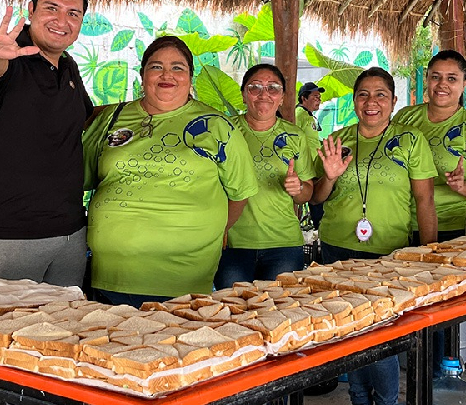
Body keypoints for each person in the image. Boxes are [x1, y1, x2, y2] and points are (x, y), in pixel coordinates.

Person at [83, 36, 258, 308]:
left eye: (178, 67)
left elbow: (240, 193)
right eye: (156, 67)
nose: (167, 75)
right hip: (110, 278)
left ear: (190, 78)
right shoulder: (112, 118)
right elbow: (81, 177)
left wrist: (214, 229)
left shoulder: (217, 125)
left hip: (184, 280)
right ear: (142, 75)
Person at [311, 67, 438, 405]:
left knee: (381, 335)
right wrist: (329, 177)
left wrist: (430, 253)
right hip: (338, 248)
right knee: (349, 332)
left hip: (389, 253)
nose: (371, 102)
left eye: (380, 94)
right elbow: (318, 197)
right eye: (363, 94)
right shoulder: (337, 140)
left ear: (393, 102)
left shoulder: (410, 140)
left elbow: (425, 200)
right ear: (354, 101)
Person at [0, 0, 93, 288]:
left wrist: (148, 108)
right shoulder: (10, 54)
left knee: (66, 318)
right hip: (14, 233)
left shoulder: (68, 65)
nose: (62, 21)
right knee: (10, 318)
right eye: (52, 8)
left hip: (70, 230)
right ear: (31, 9)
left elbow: (86, 115)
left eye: (73, 13)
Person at [214, 64, 316, 288]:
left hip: (283, 246)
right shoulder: (225, 131)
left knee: (281, 308)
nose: (264, 94)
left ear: (282, 98)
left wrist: (298, 188)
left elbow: (307, 194)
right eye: (255, 87)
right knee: (232, 307)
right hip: (233, 244)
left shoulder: (295, 136)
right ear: (243, 94)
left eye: (273, 88)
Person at [394, 50, 466, 242]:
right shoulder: (405, 117)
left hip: (451, 228)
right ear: (427, 79)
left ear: (464, 84)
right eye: (436, 77)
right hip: (398, 223)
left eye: (451, 78)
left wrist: (462, 186)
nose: (442, 84)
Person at [296, 81, 325, 228]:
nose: (318, 100)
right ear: (304, 98)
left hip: (314, 166)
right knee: (316, 201)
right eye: (315, 96)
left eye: (319, 97)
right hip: (305, 168)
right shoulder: (298, 114)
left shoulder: (309, 116)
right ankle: (319, 228)